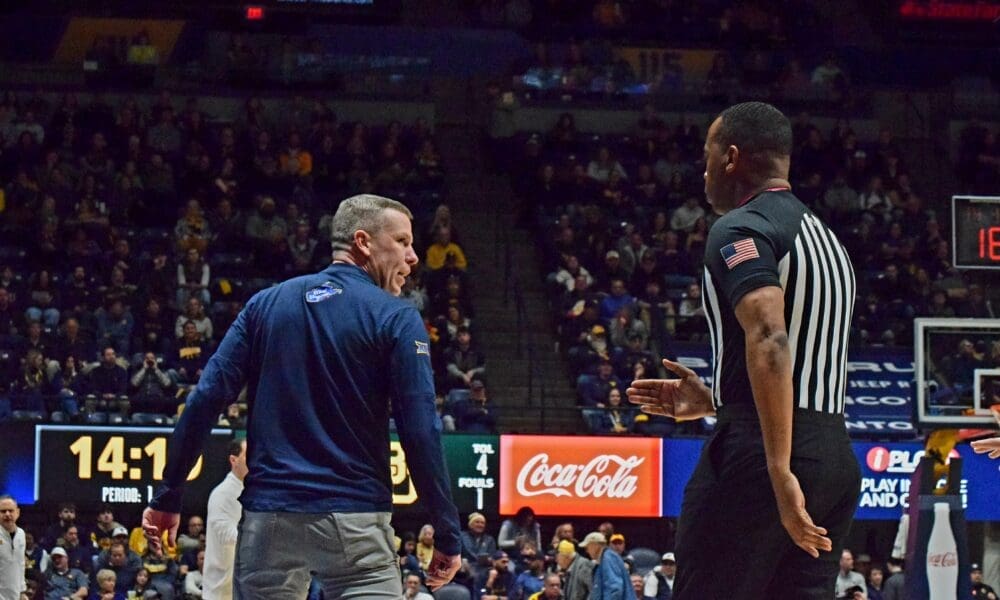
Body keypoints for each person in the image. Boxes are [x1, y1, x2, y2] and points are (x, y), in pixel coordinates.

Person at [142, 194, 461, 598]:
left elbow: (206, 397)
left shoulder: (265, 304)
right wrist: (448, 533)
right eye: (402, 242)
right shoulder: (396, 316)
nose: (413, 256)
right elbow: (420, 430)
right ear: (363, 242)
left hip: (269, 519)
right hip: (356, 520)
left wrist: (169, 494)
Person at [627, 102, 861, 599]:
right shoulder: (829, 242)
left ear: (731, 158)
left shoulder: (741, 227)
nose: (703, 168)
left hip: (762, 455)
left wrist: (778, 469)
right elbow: (802, 358)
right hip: (834, 454)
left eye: (707, 154)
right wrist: (719, 402)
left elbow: (771, 339)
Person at [202, 440, 247, 600]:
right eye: (248, 455)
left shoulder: (251, 490)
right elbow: (225, 534)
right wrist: (258, 538)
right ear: (233, 460)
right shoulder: (222, 493)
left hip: (243, 585)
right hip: (221, 590)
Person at [582, 531, 630, 600]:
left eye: (587, 547)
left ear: (595, 545)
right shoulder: (604, 559)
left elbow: (614, 589)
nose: (587, 551)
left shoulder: (608, 559)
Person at [0, 495, 26, 600]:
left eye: (10, 511)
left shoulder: (21, 534)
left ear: (17, 512)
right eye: (3, 511)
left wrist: (22, 591)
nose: (7, 514)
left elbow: (21, 564)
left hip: (15, 593)